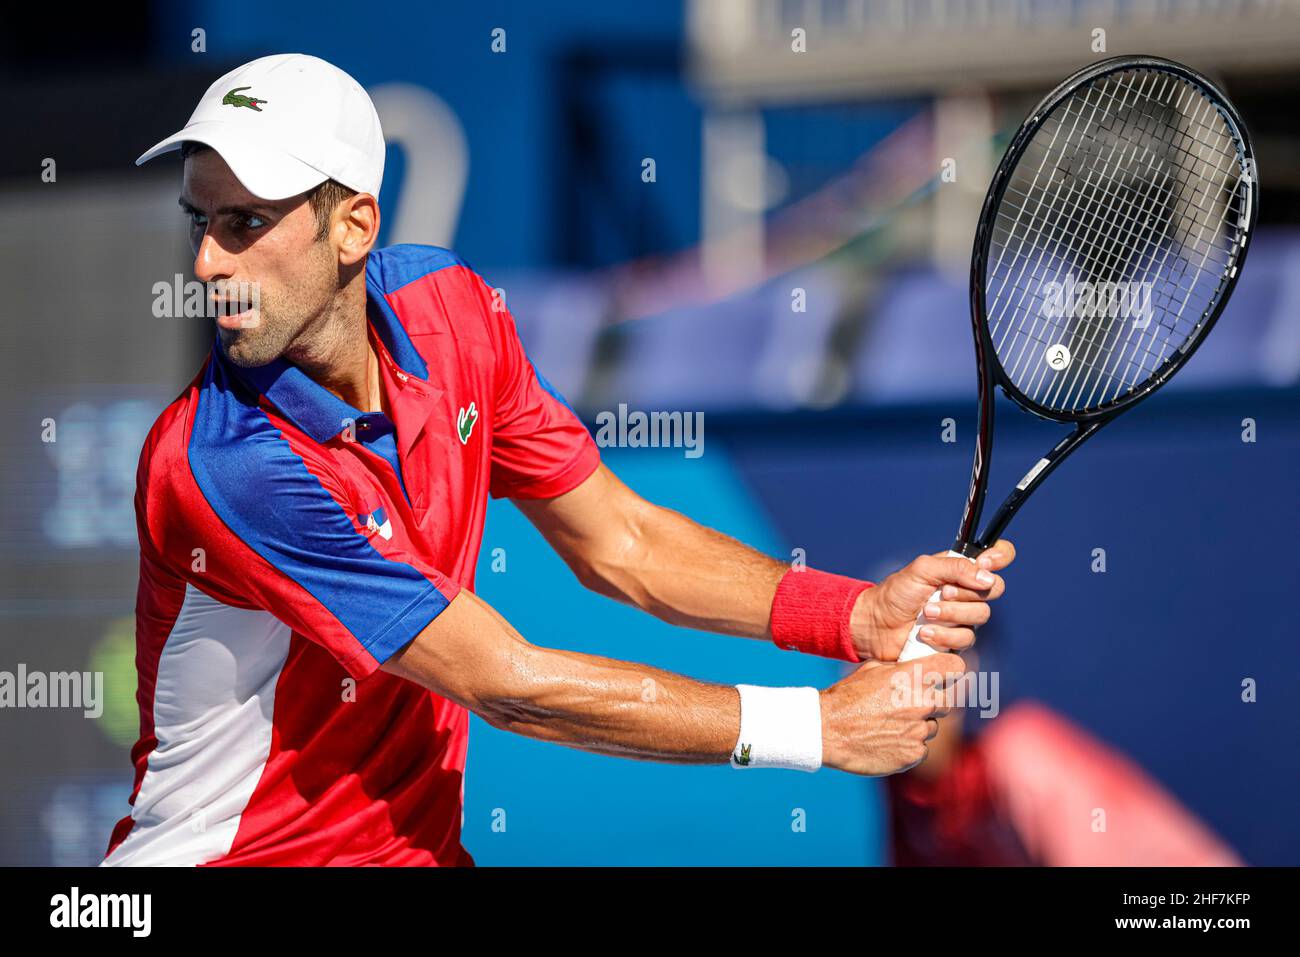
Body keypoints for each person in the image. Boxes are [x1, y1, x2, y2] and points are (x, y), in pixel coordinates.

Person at [102, 53, 1015, 866]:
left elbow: (621, 540)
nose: (209, 262)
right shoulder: (225, 467)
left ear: (355, 225)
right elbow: (509, 685)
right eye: (203, 220)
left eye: (247, 222)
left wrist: (855, 615)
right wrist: (816, 726)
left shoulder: (450, 307)